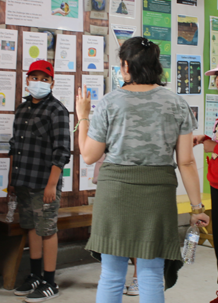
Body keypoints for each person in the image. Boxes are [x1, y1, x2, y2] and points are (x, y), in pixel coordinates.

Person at [75, 36, 209, 303]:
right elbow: (186, 162)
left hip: (115, 193)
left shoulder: (109, 103)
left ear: (125, 66)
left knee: (112, 274)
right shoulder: (176, 103)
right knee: (150, 273)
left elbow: (89, 155)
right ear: (155, 66)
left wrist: (83, 117)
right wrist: (197, 208)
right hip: (157, 194)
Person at [9, 60, 70, 302]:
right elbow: (15, 146)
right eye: (34, 78)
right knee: (31, 227)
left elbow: (62, 151)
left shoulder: (57, 110)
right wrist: (12, 182)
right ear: (27, 80)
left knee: (47, 229)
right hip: (23, 181)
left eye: (44, 79)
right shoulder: (22, 109)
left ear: (52, 82)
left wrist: (52, 185)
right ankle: (34, 275)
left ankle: (50, 281)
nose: (39, 83)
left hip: (45, 183)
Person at [93, 155, 139, 296]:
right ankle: (115, 280)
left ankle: (138, 278)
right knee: (114, 234)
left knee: (135, 234)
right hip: (112, 185)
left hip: (136, 184)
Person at [193, 67, 218, 303]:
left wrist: (215, 148)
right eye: (216, 78)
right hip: (216, 182)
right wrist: (206, 139)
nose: (217, 83)